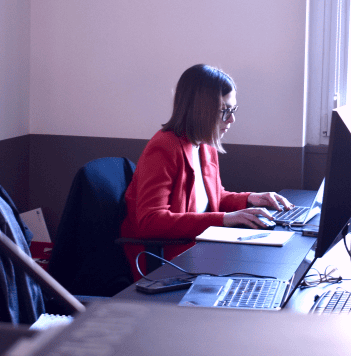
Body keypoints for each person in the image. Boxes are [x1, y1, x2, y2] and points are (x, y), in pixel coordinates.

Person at [120, 64, 294, 281]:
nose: (231, 120)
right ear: (200, 109)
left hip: (199, 247)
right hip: (167, 259)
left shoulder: (205, 144)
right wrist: (224, 219)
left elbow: (214, 197)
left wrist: (251, 199)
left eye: (233, 110)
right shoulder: (163, 148)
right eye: (225, 111)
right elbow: (150, 221)